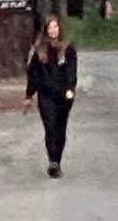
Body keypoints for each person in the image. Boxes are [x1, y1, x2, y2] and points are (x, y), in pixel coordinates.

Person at [27, 12, 79, 177]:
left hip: (63, 95)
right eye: (50, 27)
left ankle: (58, 159)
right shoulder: (39, 50)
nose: (53, 30)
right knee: (50, 127)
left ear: (59, 28)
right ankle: (53, 162)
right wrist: (29, 95)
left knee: (60, 128)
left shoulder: (68, 48)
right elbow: (33, 74)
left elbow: (72, 71)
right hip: (46, 95)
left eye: (55, 27)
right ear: (46, 30)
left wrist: (71, 88)